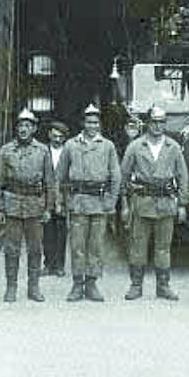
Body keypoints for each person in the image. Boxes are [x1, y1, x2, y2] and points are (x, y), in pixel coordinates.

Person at [119, 105, 188, 301]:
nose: (158, 126)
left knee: (163, 247)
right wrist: (124, 204)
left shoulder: (173, 147)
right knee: (138, 246)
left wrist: (182, 204)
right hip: (142, 203)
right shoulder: (135, 147)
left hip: (166, 204)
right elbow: (123, 177)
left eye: (162, 122)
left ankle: (163, 286)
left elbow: (182, 176)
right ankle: (136, 285)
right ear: (147, 123)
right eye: (154, 122)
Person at [56, 104, 121, 302]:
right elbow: (60, 175)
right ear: (82, 123)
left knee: (96, 246)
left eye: (95, 122)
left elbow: (115, 176)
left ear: (99, 124)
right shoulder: (71, 145)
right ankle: (77, 284)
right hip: (78, 202)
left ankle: (92, 283)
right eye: (88, 121)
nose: (92, 125)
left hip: (100, 202)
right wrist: (60, 200)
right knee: (77, 245)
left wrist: (111, 200)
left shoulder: (107, 146)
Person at [0, 108, 55, 303]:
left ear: (34, 129)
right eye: (21, 125)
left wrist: (48, 208)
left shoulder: (43, 150)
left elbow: (49, 181)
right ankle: (11, 287)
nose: (23, 129)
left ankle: (33, 287)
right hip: (12, 203)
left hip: (35, 205)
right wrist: (0, 208)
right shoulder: (6, 150)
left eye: (28, 126)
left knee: (35, 249)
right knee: (11, 249)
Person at [42, 120, 69, 277]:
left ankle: (60, 265)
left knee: (61, 231)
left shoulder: (68, 151)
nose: (57, 139)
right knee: (47, 231)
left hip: (64, 195)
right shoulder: (43, 150)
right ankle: (48, 264)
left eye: (60, 136)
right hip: (46, 194)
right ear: (49, 135)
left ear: (64, 138)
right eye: (54, 135)